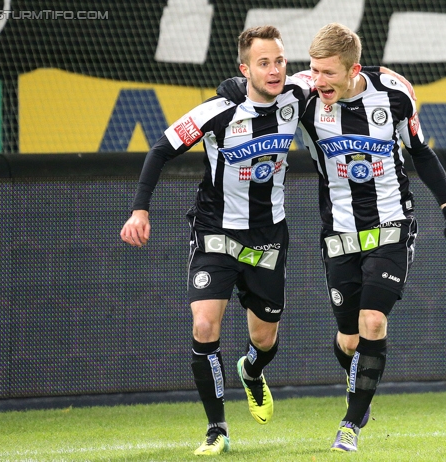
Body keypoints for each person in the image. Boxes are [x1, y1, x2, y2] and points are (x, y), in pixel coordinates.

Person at [218, 22, 446, 453]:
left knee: (373, 321)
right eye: (313, 71)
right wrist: (234, 88)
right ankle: (345, 380)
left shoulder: (393, 94)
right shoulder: (303, 94)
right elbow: (259, 89)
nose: (318, 81)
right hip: (339, 233)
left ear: (354, 69)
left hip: (391, 225)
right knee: (350, 339)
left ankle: (350, 424)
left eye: (327, 73)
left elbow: (420, 150)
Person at [120, 25, 312, 456]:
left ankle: (250, 371)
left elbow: (342, 69)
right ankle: (217, 429)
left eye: (280, 60)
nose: (275, 69)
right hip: (216, 232)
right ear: (245, 69)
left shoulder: (298, 96)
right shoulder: (217, 111)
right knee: (205, 324)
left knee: (265, 340)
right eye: (264, 62)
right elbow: (160, 150)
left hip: (267, 237)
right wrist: (139, 209)